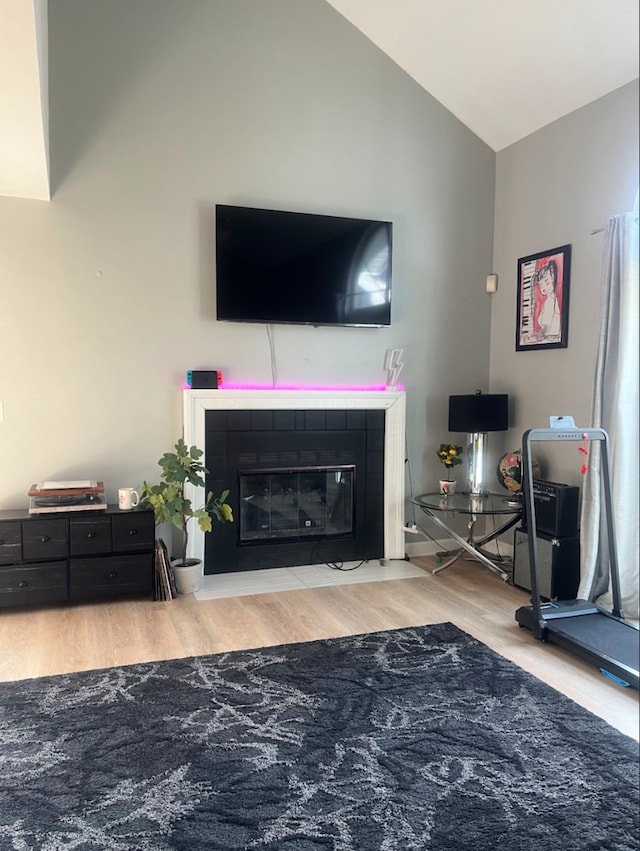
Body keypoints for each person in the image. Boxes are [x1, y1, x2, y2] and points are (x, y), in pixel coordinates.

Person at [534, 258, 561, 340]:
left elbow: (545, 330)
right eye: (540, 284)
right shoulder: (551, 299)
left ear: (552, 278)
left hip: (550, 339)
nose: (543, 286)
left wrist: (534, 337)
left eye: (546, 281)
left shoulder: (550, 301)